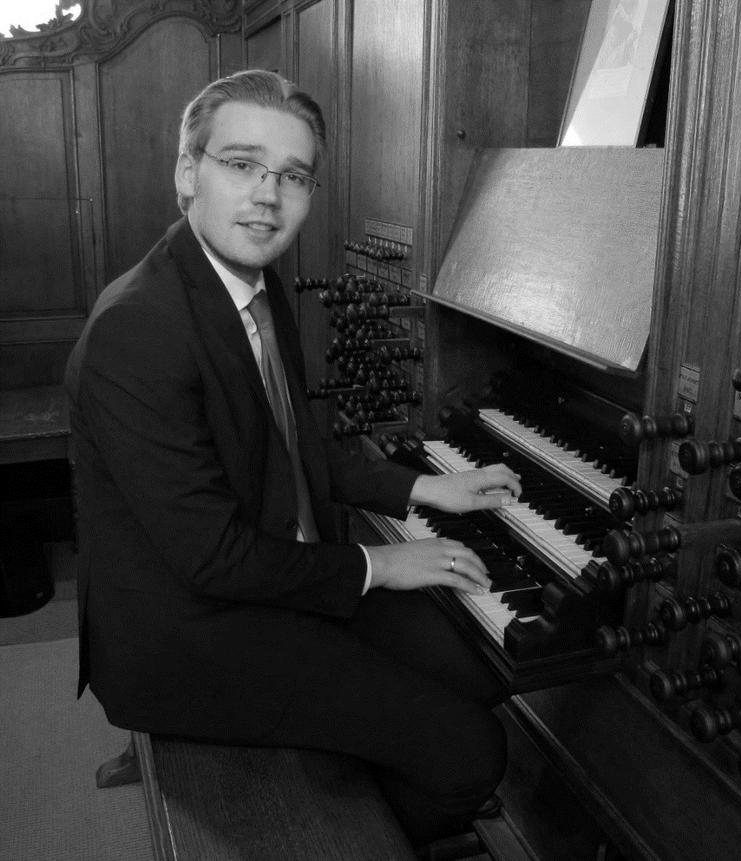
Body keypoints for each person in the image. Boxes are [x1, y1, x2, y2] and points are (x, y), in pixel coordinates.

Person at [64, 69, 523, 845]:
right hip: (190, 634)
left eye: (293, 176)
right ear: (188, 174)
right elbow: (212, 560)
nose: (267, 196)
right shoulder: (136, 331)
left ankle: (370, 772)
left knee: (477, 667)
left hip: (275, 576)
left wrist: (421, 487)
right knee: (473, 751)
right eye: (241, 164)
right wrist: (382, 567)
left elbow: (292, 444)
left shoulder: (255, 285)